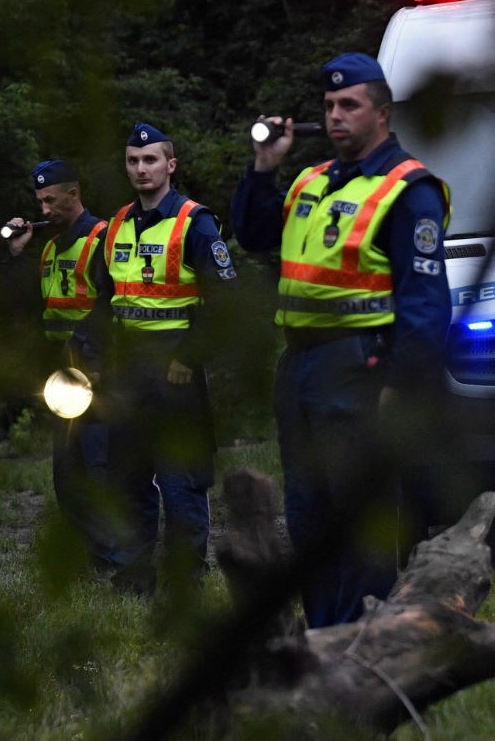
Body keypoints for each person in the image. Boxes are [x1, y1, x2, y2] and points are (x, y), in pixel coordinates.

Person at [230, 52, 451, 628]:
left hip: (362, 370)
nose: (335, 116)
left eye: (348, 105)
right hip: (302, 369)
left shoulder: (409, 190)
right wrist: (263, 167)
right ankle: (325, 638)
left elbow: (425, 303)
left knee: (361, 517)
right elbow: (253, 234)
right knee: (309, 518)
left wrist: (403, 387)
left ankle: (365, 640)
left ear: (382, 112)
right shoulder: (310, 181)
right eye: (328, 106)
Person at [96, 123, 239, 594]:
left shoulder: (194, 222)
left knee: (181, 482)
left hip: (174, 373)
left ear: (170, 165)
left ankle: (186, 578)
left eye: (151, 160)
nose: (141, 168)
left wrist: (189, 355)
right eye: (134, 161)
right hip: (126, 372)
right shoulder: (115, 225)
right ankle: (134, 575)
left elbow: (225, 300)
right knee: (129, 479)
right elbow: (104, 300)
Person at [2, 159, 118, 571]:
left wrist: (86, 351)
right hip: (63, 380)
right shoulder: (49, 248)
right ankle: (95, 557)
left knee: (102, 472)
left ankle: (119, 560)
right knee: (68, 479)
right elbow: (27, 308)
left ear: (74, 194)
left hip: (99, 376)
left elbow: (111, 305)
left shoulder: (103, 239)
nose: (44, 209)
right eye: (39, 201)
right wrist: (17, 255)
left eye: (51, 200)